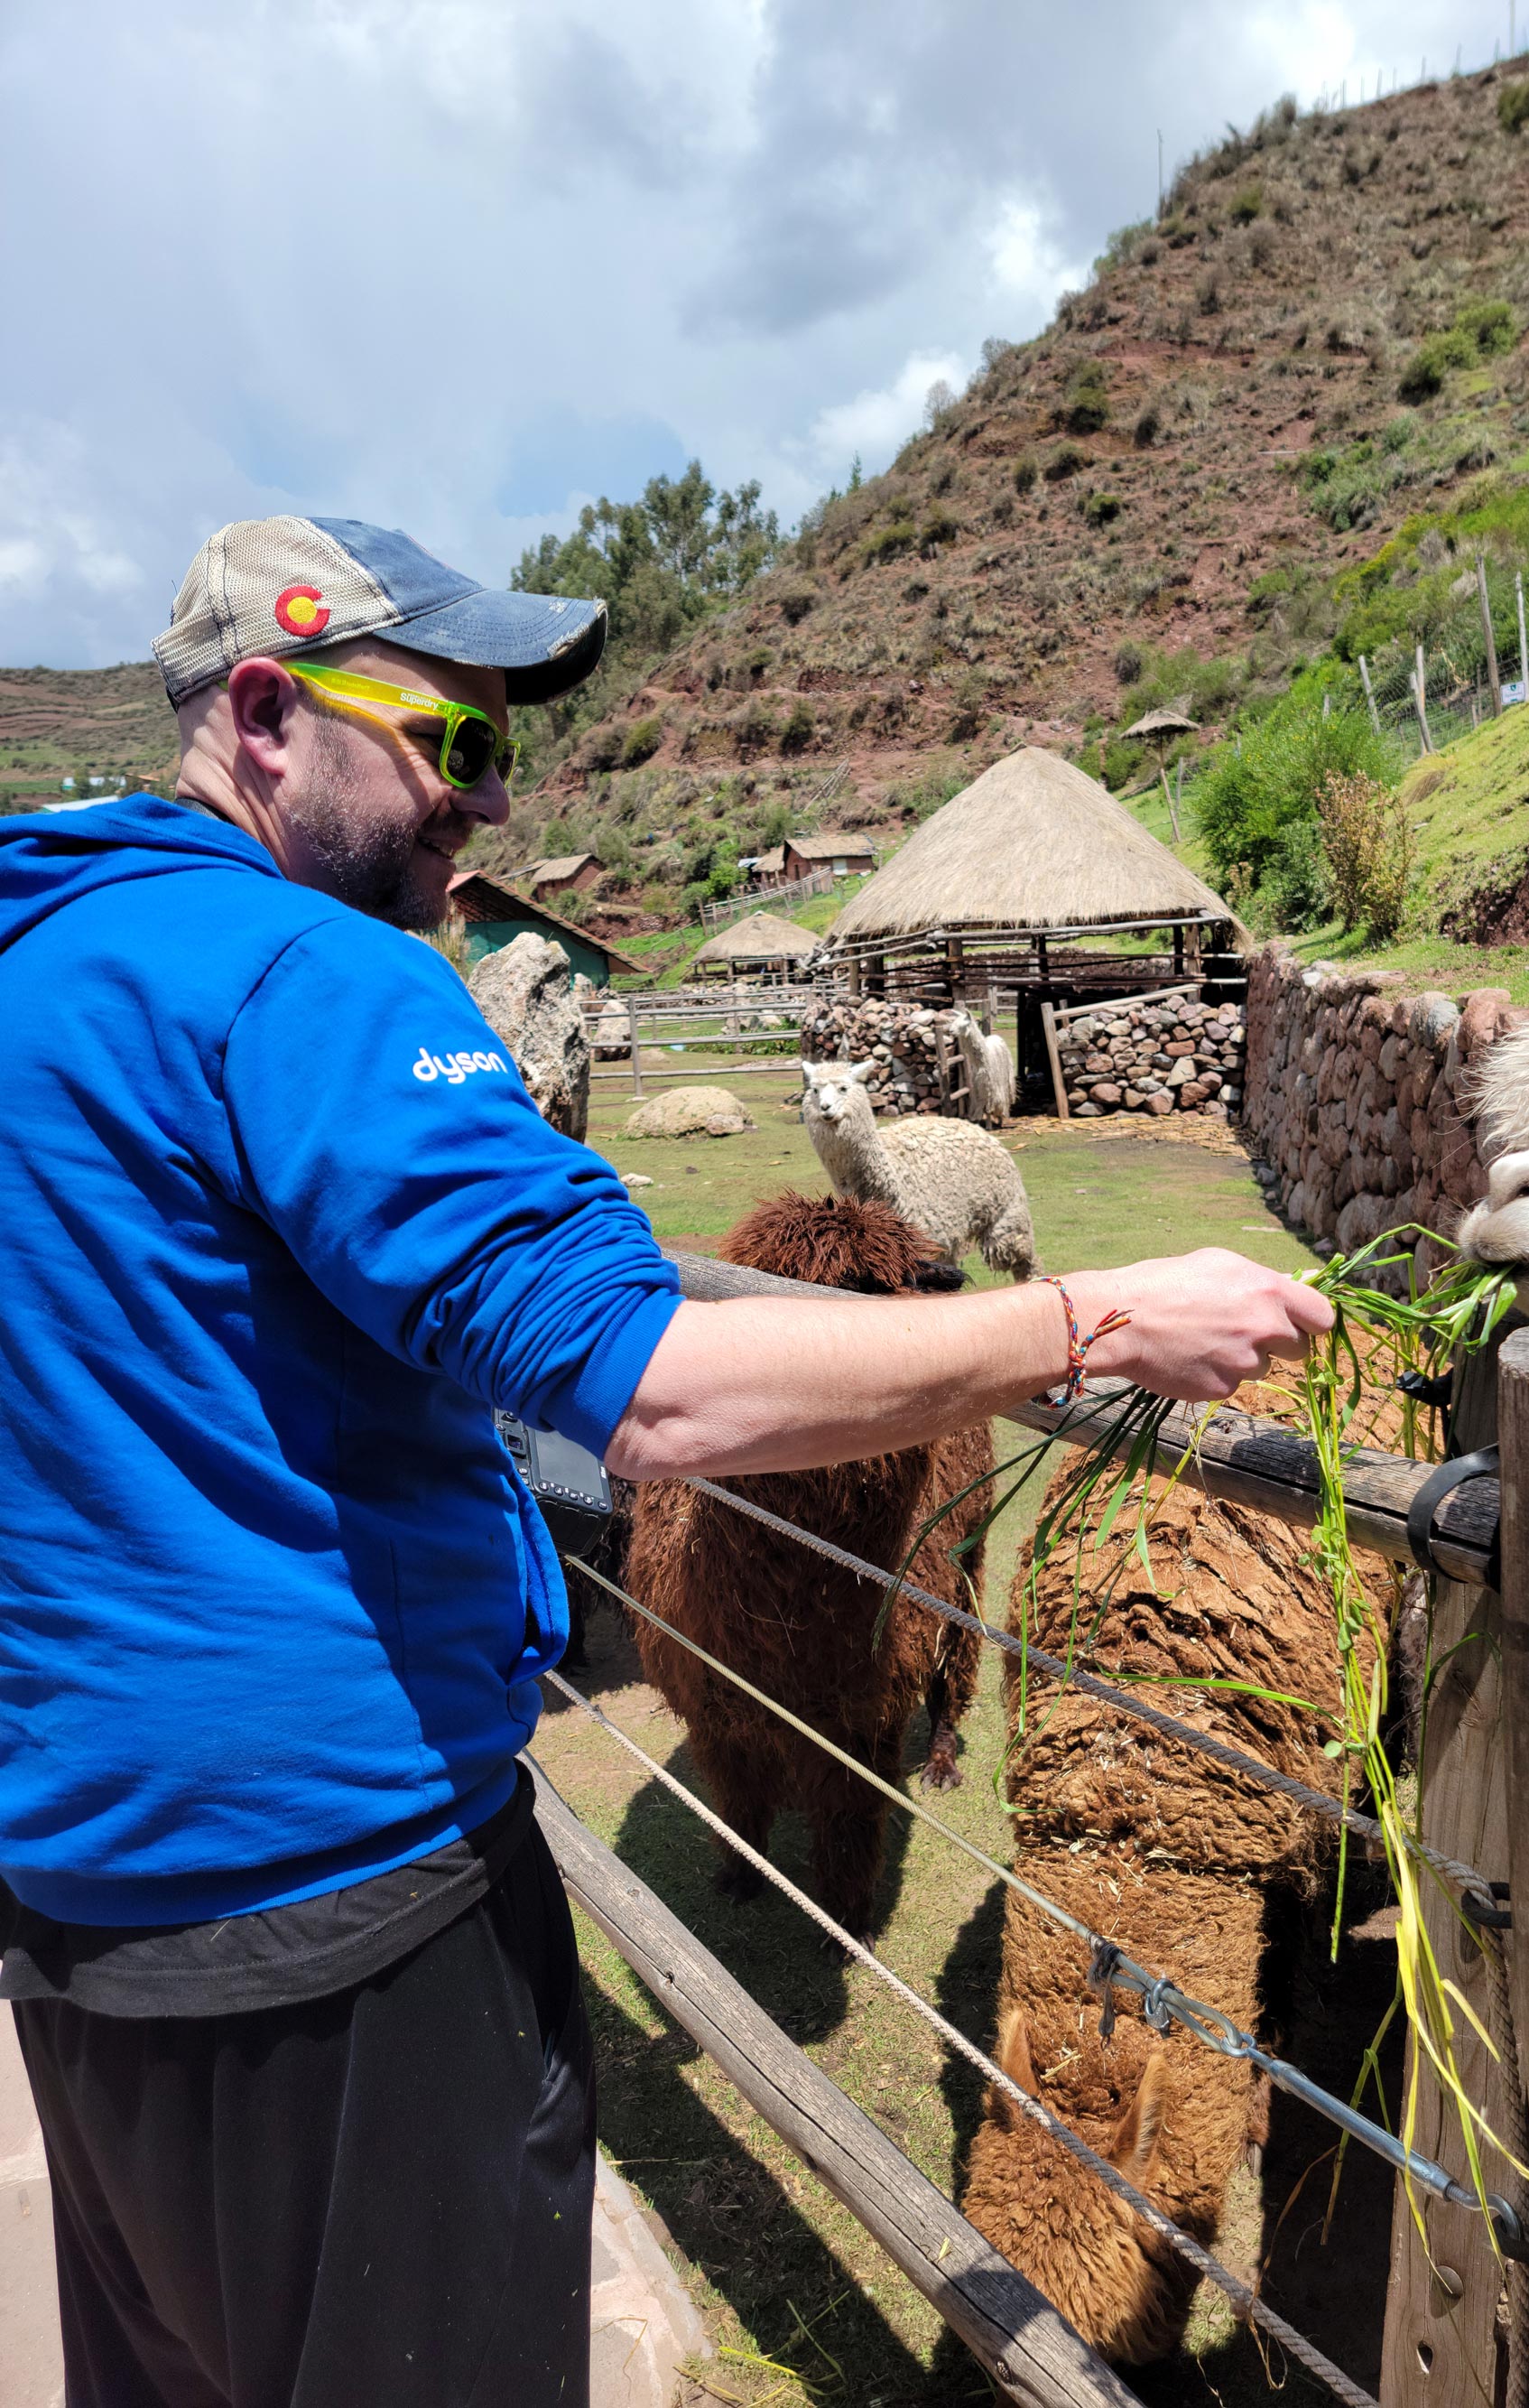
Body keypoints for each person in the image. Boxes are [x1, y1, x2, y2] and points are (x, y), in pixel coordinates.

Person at [0, 515, 1330, 2408]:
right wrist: (1089, 1323)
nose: (490, 802)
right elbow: (653, 1385)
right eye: (452, 744)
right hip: (342, 1921)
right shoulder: (308, 978)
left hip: (83, 1923)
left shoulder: (42, 956)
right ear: (271, 717)